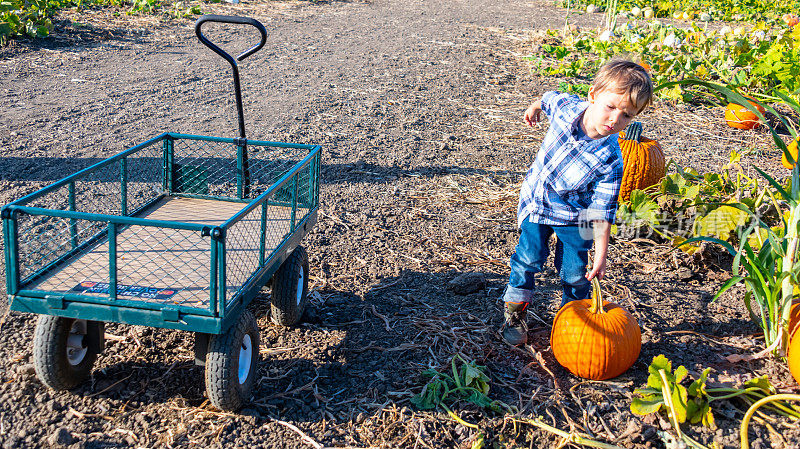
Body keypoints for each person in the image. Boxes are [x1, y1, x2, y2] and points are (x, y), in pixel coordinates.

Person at [500, 59, 653, 345]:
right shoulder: (566, 109)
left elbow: (604, 210)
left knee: (573, 273)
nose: (615, 120)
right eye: (610, 107)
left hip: (576, 216)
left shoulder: (610, 159)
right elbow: (548, 98)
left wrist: (601, 252)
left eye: (626, 116)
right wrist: (534, 107)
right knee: (528, 259)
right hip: (540, 202)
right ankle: (515, 314)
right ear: (593, 95)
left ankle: (571, 322)